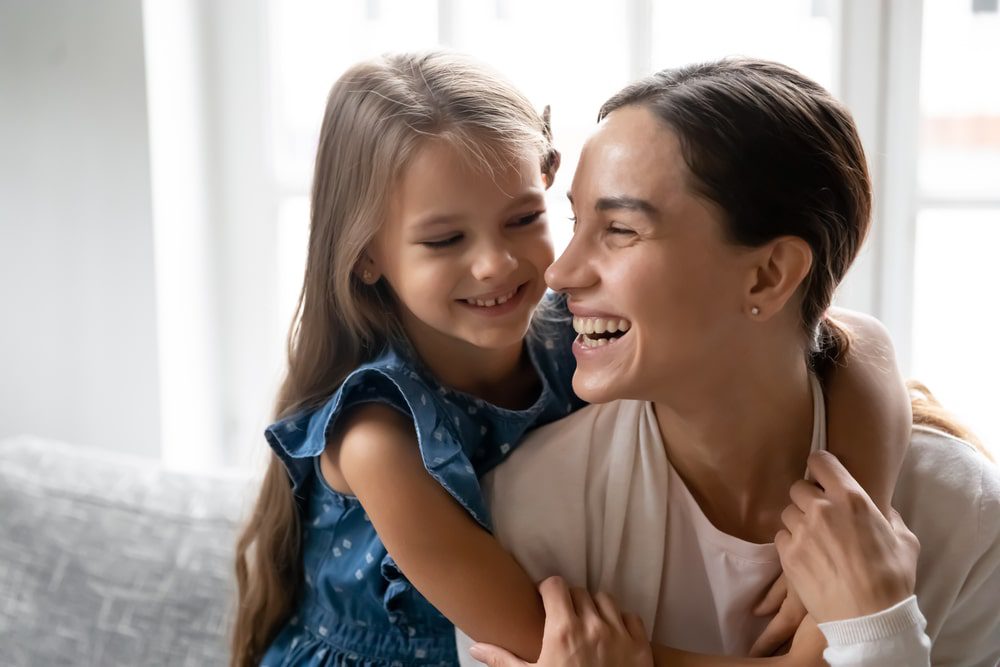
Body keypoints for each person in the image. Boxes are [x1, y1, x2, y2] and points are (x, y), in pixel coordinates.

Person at [231, 51, 913, 667]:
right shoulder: (379, 438)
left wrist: (839, 520)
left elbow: (859, 342)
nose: (497, 263)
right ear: (368, 254)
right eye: (444, 240)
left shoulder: (568, 332)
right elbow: (534, 635)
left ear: (549, 180)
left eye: (523, 219)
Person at [461, 59, 1000, 667]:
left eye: (620, 230)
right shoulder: (529, 513)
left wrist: (882, 631)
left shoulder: (962, 513)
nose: (559, 273)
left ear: (768, 276)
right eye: (576, 221)